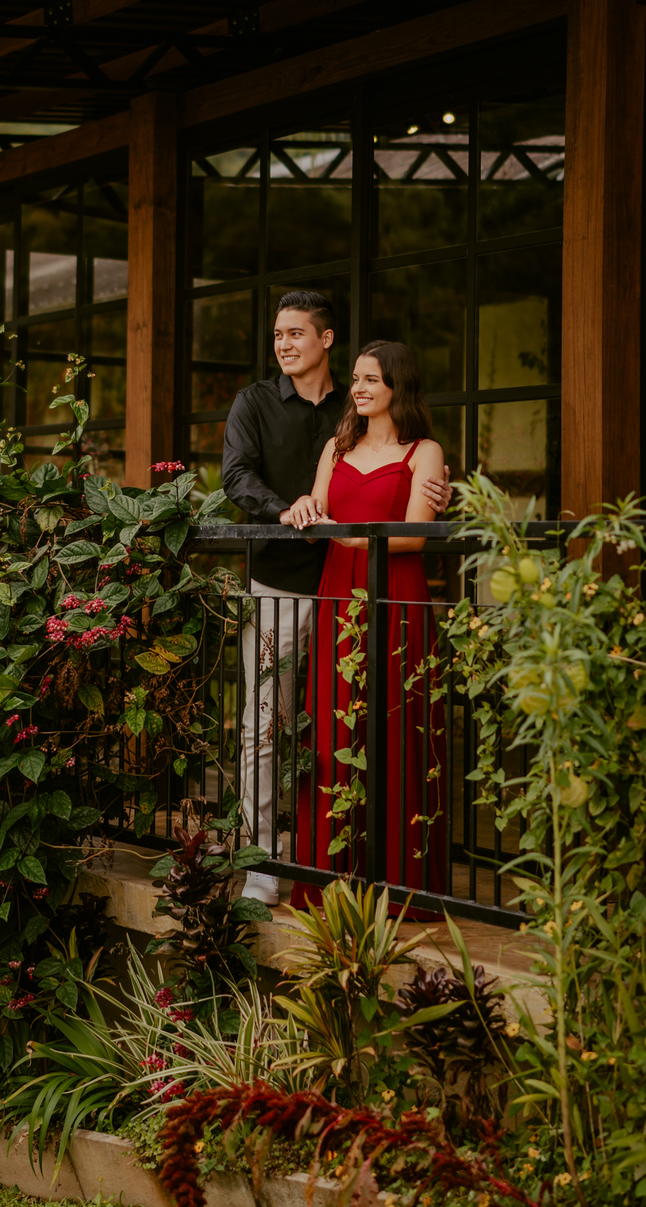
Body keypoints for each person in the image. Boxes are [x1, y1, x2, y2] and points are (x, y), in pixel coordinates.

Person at [222, 295, 450, 905]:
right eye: (277, 334)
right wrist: (286, 509)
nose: (283, 343)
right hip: (281, 586)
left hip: (348, 590)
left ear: (325, 339)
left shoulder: (350, 413)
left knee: (368, 725)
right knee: (266, 725)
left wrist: (437, 497)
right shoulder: (255, 402)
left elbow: (403, 498)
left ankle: (378, 865)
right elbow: (237, 478)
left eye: (296, 333)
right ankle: (264, 866)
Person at [285, 340, 447, 909]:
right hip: (338, 592)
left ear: (397, 386)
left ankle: (401, 886)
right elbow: (318, 512)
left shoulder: (425, 451)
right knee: (335, 728)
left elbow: (416, 535)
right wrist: (304, 507)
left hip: (396, 594)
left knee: (397, 727)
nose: (358, 388)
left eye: (371, 379)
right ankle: (328, 881)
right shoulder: (337, 446)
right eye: (355, 378)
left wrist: (355, 538)